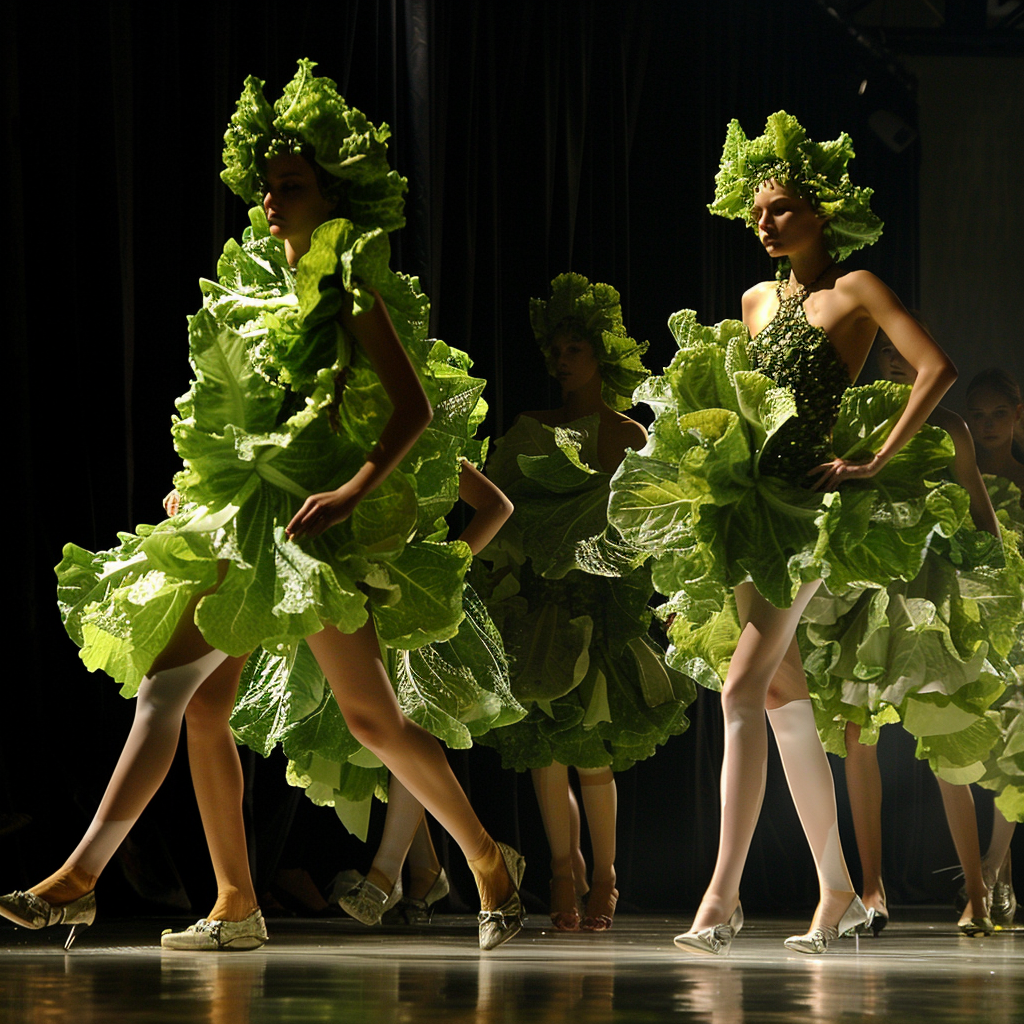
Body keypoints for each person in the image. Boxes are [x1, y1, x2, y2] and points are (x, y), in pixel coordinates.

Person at [0, 60, 524, 953]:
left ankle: (484, 858)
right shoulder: (252, 279)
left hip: (313, 532)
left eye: (293, 186)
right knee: (185, 697)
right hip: (242, 518)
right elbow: (236, 409)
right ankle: (161, 889)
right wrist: (199, 489)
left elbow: (413, 410)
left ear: (332, 190)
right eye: (269, 185)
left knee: (369, 719)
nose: (274, 200)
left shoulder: (349, 279)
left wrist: (355, 489)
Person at [609, 112, 959, 954]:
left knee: (738, 690)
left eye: (782, 209)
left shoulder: (859, 289)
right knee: (776, 695)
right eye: (758, 211)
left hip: (812, 508)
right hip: (750, 499)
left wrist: (873, 459)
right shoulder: (755, 300)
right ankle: (836, 889)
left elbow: (936, 369)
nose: (763, 224)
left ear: (822, 212)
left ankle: (720, 896)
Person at [475, 274, 694, 932]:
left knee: (592, 750)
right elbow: (504, 513)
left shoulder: (627, 433)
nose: (563, 360)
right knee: (545, 747)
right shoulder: (532, 426)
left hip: (601, 606)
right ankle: (560, 873)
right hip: (537, 603)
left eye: (577, 349)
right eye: (558, 349)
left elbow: (652, 521)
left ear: (603, 356)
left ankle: (605, 877)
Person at [803, 329, 1018, 937]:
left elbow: (979, 506)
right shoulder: (850, 415)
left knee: (946, 734)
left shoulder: (949, 424)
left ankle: (976, 891)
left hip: (927, 588)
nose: (896, 362)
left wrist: (997, 592)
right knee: (856, 731)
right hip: (861, 585)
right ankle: (871, 887)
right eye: (886, 353)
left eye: (907, 351)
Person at [964, 367, 1024, 926]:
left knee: (1013, 746)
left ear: (1017, 416)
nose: (987, 425)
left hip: (1021, 624)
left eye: (998, 414)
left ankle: (987, 870)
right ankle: (997, 880)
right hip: (971, 622)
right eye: (977, 416)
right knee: (973, 748)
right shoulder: (960, 478)